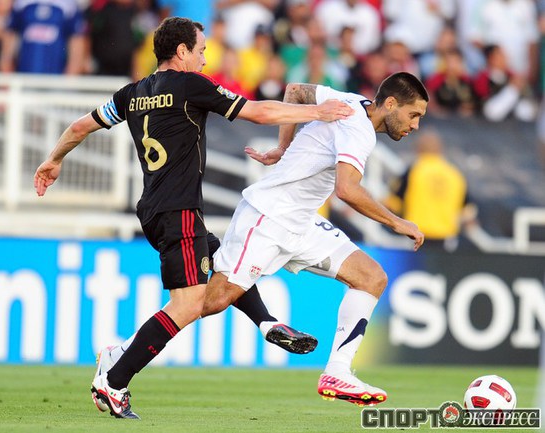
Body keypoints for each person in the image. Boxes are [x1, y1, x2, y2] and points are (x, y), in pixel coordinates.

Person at [33, 17, 354, 419]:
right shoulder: (189, 86)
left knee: (223, 262)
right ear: (181, 51)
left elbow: (81, 125)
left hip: (154, 207)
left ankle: (267, 323)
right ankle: (114, 379)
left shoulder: (132, 94)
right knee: (187, 305)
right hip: (178, 210)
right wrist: (317, 111)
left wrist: (54, 159)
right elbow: (257, 112)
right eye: (201, 51)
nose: (204, 59)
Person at [201, 72, 428, 407]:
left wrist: (284, 146)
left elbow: (295, 91)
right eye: (414, 115)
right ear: (391, 104)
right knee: (209, 302)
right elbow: (346, 190)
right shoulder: (359, 131)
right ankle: (125, 353)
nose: (416, 125)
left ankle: (337, 372)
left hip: (303, 222)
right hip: (269, 216)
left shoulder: (351, 101)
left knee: (371, 277)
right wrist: (397, 222)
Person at [384, 128, 478, 252]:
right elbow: (467, 209)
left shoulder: (414, 170)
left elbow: (394, 202)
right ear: (441, 149)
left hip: (416, 234)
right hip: (446, 237)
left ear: (418, 148)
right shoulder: (454, 174)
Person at [0, 0, 86, 74]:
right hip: (24, 75)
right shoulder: (21, 4)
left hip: (56, 76)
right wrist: (5, 70)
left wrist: (70, 77)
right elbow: (10, 36)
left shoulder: (69, 5)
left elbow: (77, 41)